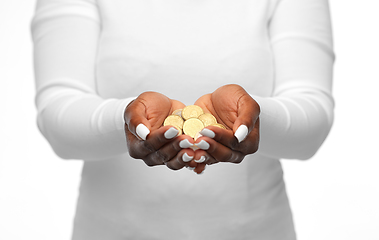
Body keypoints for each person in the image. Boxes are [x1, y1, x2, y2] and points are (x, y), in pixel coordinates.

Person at [31, 0, 334, 239]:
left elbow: (311, 118)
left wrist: (256, 116)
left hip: (259, 231)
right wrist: (124, 119)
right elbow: (58, 113)